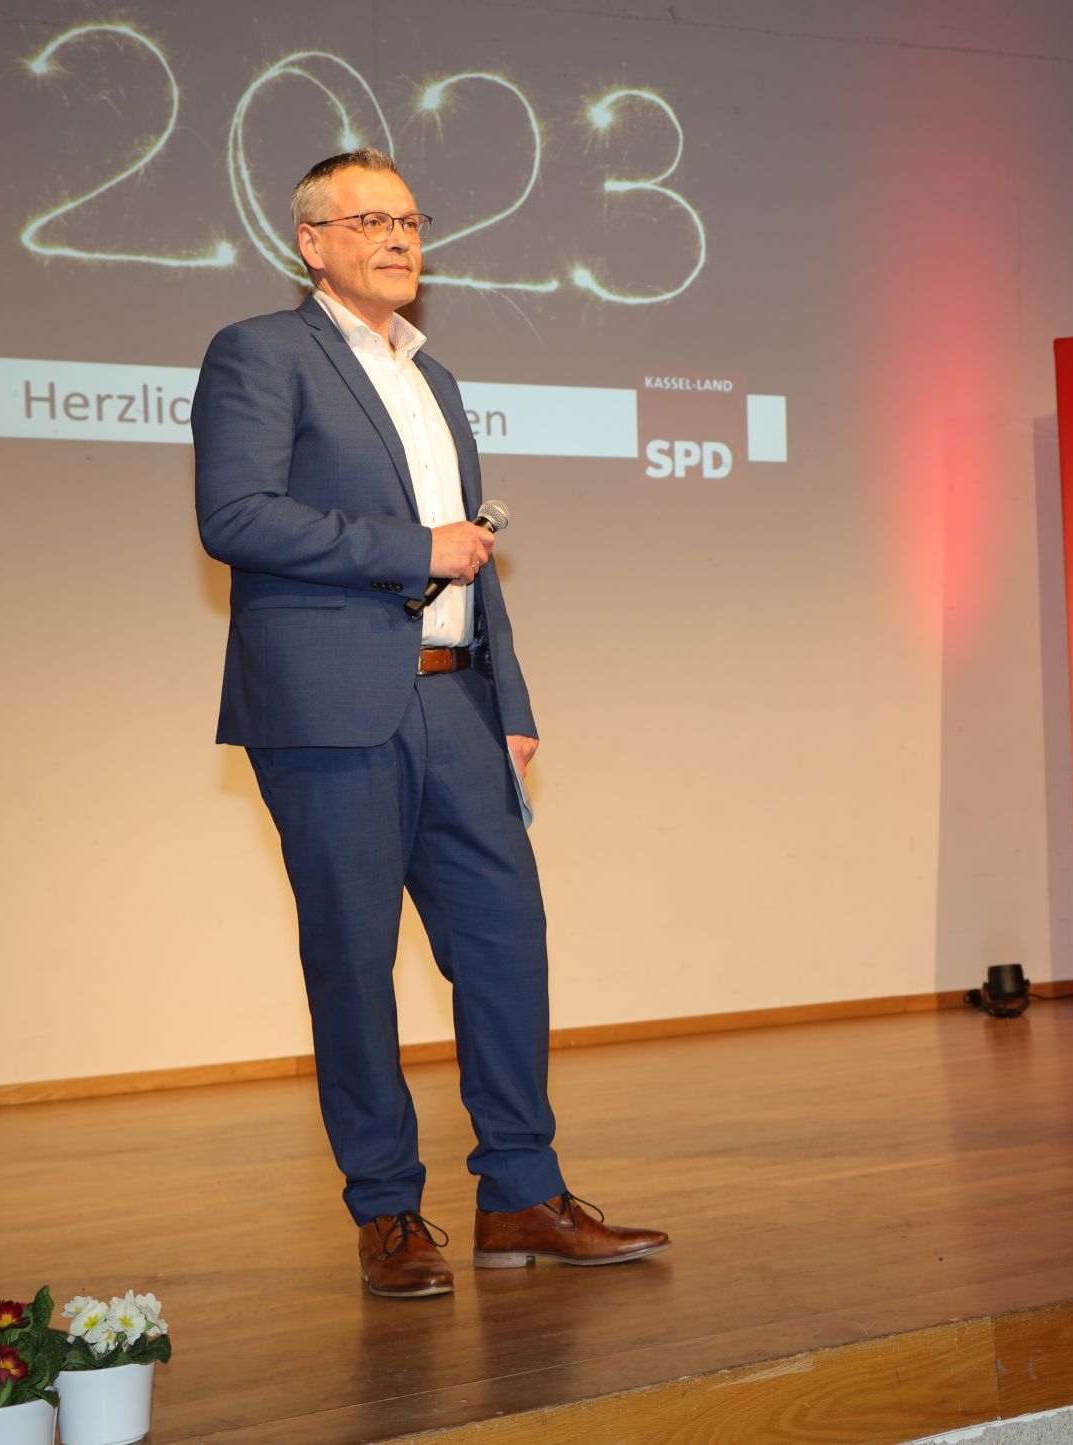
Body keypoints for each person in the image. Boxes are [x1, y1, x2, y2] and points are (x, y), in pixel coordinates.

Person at [193, 149, 669, 1296]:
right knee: (353, 961)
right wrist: (414, 549)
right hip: (329, 707)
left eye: (410, 220)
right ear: (311, 243)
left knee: (506, 941)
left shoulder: (434, 377)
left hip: (457, 699)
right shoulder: (261, 352)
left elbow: (474, 553)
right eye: (369, 221)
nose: (399, 238)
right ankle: (387, 1210)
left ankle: (521, 1193)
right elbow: (237, 515)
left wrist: (509, 702)